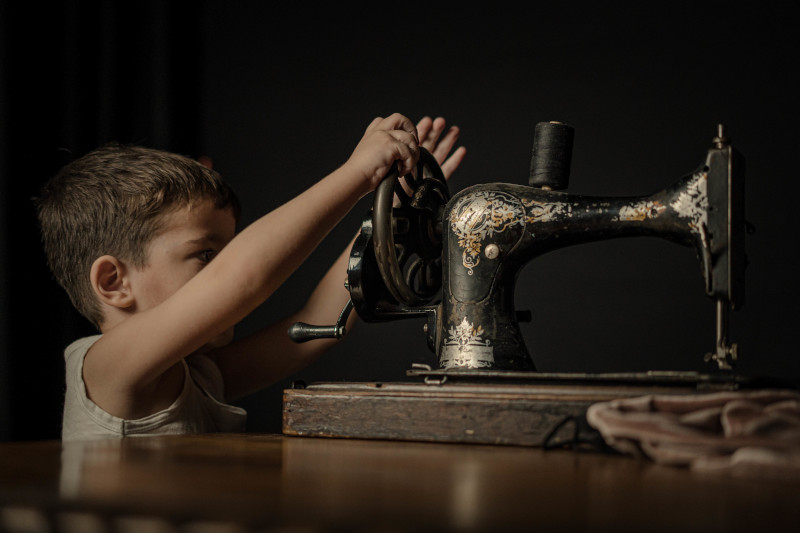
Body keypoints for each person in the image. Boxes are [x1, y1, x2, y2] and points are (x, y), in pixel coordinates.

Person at [35, 114, 466, 441]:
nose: (223, 264)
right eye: (206, 254)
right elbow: (239, 278)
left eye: (226, 250)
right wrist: (359, 174)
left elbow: (318, 324)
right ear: (114, 282)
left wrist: (389, 207)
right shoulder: (107, 369)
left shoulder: (199, 375)